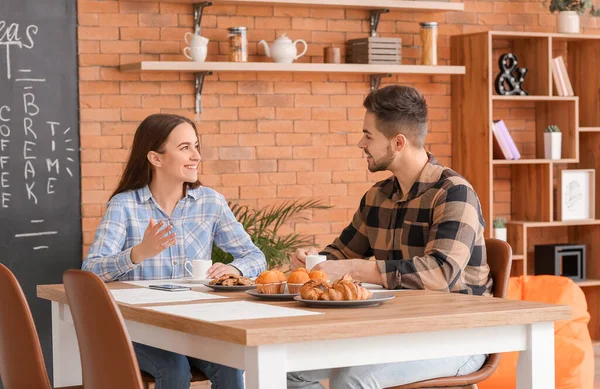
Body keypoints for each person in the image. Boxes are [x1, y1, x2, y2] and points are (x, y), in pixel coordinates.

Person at [287, 85, 492, 389]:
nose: (361, 143)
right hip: (395, 333)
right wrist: (315, 262)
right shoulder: (377, 197)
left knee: (350, 379)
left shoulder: (454, 194)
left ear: (398, 143)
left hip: (458, 337)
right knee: (290, 370)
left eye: (368, 136)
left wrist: (357, 269)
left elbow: (441, 273)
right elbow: (341, 253)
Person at [83, 113, 267, 389]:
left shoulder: (210, 203)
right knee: (174, 368)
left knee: (230, 365)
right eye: (185, 148)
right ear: (155, 158)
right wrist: (138, 253)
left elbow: (256, 257)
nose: (196, 156)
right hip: (137, 329)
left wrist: (235, 268)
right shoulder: (124, 206)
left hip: (195, 326)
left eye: (196, 146)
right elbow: (91, 270)